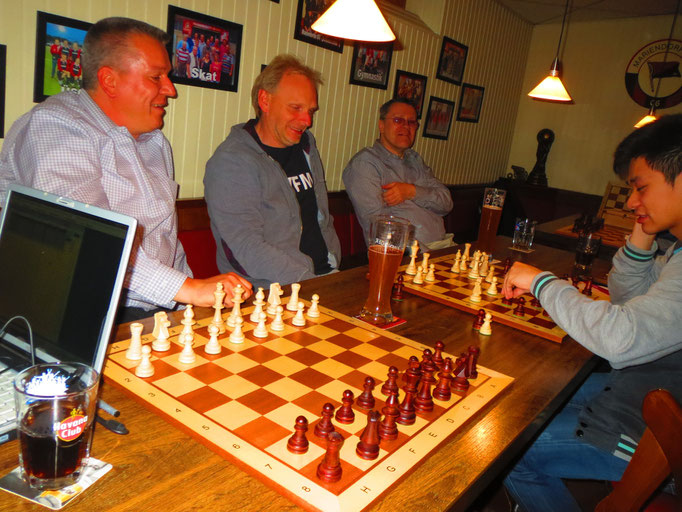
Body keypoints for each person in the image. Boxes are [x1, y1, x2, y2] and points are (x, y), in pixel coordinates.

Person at [0, 17, 251, 322]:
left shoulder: (155, 142)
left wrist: (189, 303)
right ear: (109, 81)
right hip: (73, 314)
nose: (170, 90)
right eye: (156, 77)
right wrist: (187, 289)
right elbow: (83, 238)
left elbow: (164, 240)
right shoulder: (55, 126)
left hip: (153, 309)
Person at [501, 114, 682, 512]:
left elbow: (618, 339)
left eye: (641, 188)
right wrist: (645, 225)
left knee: (510, 453)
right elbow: (627, 297)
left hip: (656, 431)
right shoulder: (678, 250)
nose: (632, 201)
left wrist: (541, 281)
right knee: (533, 395)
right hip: (638, 394)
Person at [204, 54, 341, 290]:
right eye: (296, 108)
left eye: (311, 110)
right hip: (270, 291)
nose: (306, 120)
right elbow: (246, 247)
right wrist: (310, 283)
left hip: (326, 275)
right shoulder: (232, 161)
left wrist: (332, 270)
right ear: (265, 101)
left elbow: (321, 219)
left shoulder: (307, 145)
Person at [343, 99, 454, 250]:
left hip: (444, 247)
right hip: (407, 258)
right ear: (381, 125)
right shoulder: (366, 164)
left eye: (412, 122)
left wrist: (412, 191)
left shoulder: (415, 160)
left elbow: (446, 204)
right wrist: (425, 257)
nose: (406, 127)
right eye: (398, 120)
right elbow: (379, 229)